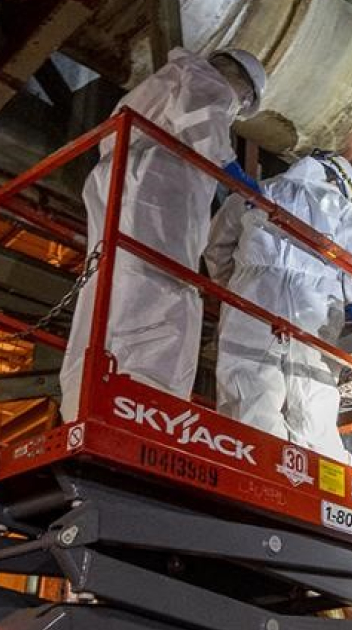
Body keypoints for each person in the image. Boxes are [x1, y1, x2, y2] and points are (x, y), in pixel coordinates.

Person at [59, 47, 267, 420]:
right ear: (239, 81)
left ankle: (87, 395)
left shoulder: (164, 81)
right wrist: (235, 176)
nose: (239, 105)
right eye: (245, 99)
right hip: (161, 188)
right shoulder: (206, 81)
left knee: (110, 287)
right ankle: (146, 397)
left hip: (122, 181)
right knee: (162, 283)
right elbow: (206, 122)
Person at [204, 149, 352, 467]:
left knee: (249, 385)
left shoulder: (257, 192)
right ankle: (325, 480)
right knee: (313, 397)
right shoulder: (344, 211)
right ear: (340, 182)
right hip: (314, 307)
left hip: (253, 296)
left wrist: (234, 287)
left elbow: (216, 248)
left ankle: (253, 466)